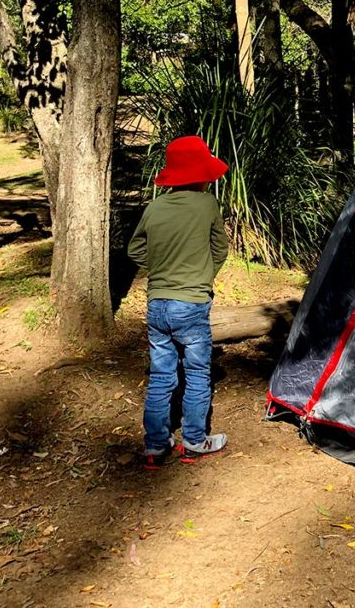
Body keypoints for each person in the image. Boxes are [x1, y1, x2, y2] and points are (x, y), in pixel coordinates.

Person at [128, 135, 230, 468]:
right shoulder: (207, 205)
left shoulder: (154, 208)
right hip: (193, 304)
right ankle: (194, 441)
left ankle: (155, 446)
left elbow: (135, 251)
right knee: (198, 373)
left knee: (161, 374)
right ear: (201, 175)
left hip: (157, 304)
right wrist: (203, 275)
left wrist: (160, 268)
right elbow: (220, 249)